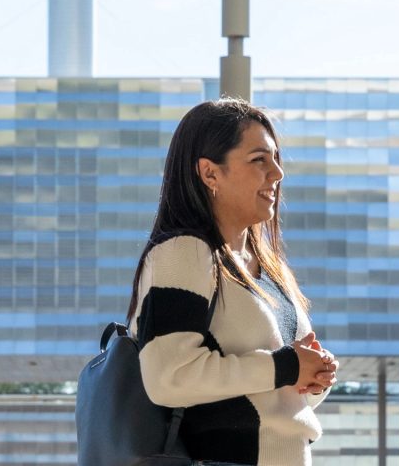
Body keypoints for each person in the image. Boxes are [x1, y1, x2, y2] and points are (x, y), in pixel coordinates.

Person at [126, 98, 338, 466]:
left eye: (275, 159)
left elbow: (276, 396)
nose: (277, 173)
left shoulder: (270, 270)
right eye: (259, 160)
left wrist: (313, 374)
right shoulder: (184, 253)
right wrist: (286, 366)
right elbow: (168, 378)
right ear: (210, 173)